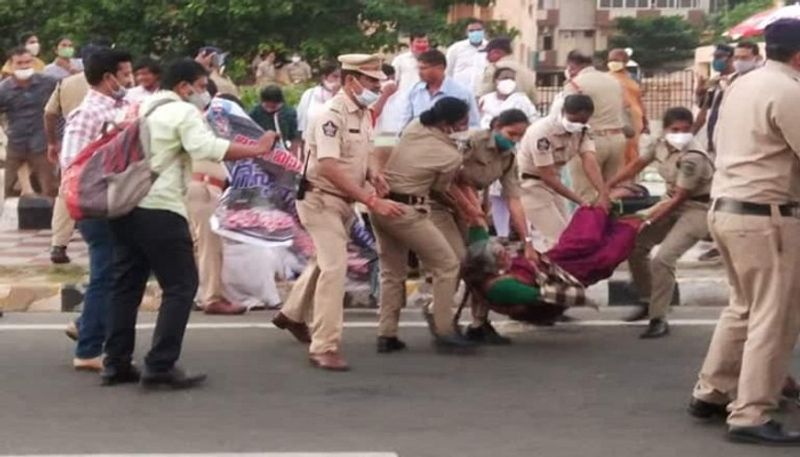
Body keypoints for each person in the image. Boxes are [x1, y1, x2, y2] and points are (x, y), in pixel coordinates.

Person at [101, 58, 278, 389]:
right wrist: (257, 148)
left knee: (126, 286)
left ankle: (115, 363)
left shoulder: (142, 106)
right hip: (160, 209)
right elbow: (205, 147)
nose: (204, 95)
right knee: (181, 286)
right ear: (183, 87)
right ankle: (160, 366)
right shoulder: (182, 112)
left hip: (124, 206)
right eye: (200, 88)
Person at [689, 19, 800, 446]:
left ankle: (712, 391)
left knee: (743, 309)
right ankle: (752, 413)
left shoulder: (742, 84)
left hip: (728, 209)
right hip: (765, 216)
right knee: (774, 318)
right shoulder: (789, 91)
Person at [271, 54, 404, 372]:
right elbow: (329, 166)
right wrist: (371, 201)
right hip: (320, 200)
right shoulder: (330, 115)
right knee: (335, 267)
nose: (376, 87)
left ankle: (290, 313)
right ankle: (325, 346)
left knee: (323, 261)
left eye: (378, 82)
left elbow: (365, 151)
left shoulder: (362, 113)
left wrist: (374, 174)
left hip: (342, 202)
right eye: (371, 82)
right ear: (350, 81)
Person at [372, 97, 477, 353]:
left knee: (392, 273)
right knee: (448, 265)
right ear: (448, 123)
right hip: (408, 211)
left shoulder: (415, 125)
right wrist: (464, 207)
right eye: (462, 121)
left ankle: (387, 334)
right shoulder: (450, 155)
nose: (465, 125)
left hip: (381, 205)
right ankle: (445, 331)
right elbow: (439, 189)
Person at [607, 107, 713, 338]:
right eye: (675, 129)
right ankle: (648, 299)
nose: (680, 134)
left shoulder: (694, 157)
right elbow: (636, 165)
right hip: (670, 202)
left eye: (686, 130)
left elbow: (680, 197)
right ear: (665, 130)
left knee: (664, 258)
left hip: (696, 208)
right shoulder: (659, 144)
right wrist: (607, 187)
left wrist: (649, 218)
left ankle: (658, 318)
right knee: (634, 246)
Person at [59, 48, 133, 371]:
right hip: (96, 206)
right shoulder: (89, 114)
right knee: (107, 273)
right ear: (108, 78)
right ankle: (89, 350)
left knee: (113, 270)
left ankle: (86, 323)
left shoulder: (118, 108)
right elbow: (71, 162)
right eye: (126, 75)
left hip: (112, 203)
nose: (129, 81)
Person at [457, 109, 538, 344]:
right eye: (510, 133)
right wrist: (471, 209)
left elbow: (514, 198)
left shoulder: (509, 157)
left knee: (484, 264)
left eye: (518, 137)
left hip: (477, 210)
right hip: (448, 204)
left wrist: (528, 241)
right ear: (496, 126)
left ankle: (478, 324)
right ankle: (440, 319)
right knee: (452, 264)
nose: (513, 140)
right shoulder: (472, 141)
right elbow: (452, 177)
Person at [517, 94, 610, 250]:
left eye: (583, 121)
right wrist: (580, 201)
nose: (578, 124)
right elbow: (547, 176)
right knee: (557, 240)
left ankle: (551, 270)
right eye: (574, 120)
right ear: (564, 112)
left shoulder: (582, 130)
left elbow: (589, 161)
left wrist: (602, 193)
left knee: (566, 236)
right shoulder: (542, 132)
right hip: (531, 185)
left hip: (554, 184)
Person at [45, 43, 104, 267]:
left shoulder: (66, 83)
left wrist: (52, 142)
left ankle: (59, 244)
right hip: (102, 148)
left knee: (65, 193)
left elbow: (49, 113)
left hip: (72, 146)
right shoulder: (110, 83)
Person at [563, 50, 626, 203]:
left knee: (586, 194)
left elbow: (567, 116)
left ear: (571, 66)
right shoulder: (614, 81)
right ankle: (609, 225)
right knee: (610, 192)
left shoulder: (575, 84)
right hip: (617, 140)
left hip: (591, 142)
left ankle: (590, 227)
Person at [0, 47, 58, 199]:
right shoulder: (4, 89)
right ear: (11, 65)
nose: (24, 66)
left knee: (50, 188)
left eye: (28, 62)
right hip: (16, 144)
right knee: (7, 189)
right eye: (19, 63)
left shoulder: (49, 83)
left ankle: (51, 221)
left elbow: (63, 104)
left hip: (42, 145)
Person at [402, 50, 480, 129]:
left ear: (440, 68)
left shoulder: (461, 93)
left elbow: (474, 125)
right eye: (419, 68)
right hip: (418, 138)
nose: (419, 72)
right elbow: (405, 122)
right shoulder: (415, 91)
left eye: (424, 68)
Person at [379, 32, 430, 135]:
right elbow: (393, 82)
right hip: (401, 105)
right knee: (391, 136)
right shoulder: (400, 60)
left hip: (425, 104)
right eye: (419, 42)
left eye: (425, 41)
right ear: (411, 43)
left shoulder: (432, 60)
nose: (422, 44)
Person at [607, 48, 649, 166]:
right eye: (611, 59)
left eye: (616, 59)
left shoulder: (632, 79)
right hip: (615, 118)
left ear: (625, 62)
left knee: (632, 151)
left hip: (634, 119)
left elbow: (639, 101)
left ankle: (629, 179)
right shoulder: (605, 79)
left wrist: (645, 121)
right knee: (618, 152)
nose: (612, 62)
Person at [477, 37, 537, 103]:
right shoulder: (526, 71)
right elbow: (534, 99)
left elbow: (484, 96)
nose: (487, 57)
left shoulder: (494, 68)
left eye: (488, 53)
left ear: (497, 52)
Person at [249, 85, 301, 156]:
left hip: (283, 152)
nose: (269, 110)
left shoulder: (288, 113)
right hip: (261, 152)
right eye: (266, 106)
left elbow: (294, 137)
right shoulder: (255, 112)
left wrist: (294, 156)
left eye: (273, 107)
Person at [296, 62, 341, 139]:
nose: (338, 80)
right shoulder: (310, 94)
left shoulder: (343, 96)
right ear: (324, 77)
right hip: (310, 141)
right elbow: (301, 123)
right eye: (335, 76)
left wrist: (336, 96)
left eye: (341, 78)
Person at [446, 18, 488, 92]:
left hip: (482, 94)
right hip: (459, 92)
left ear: (484, 31)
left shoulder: (490, 48)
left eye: (478, 30)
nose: (475, 33)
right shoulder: (456, 48)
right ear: (466, 33)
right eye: (471, 31)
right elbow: (447, 70)